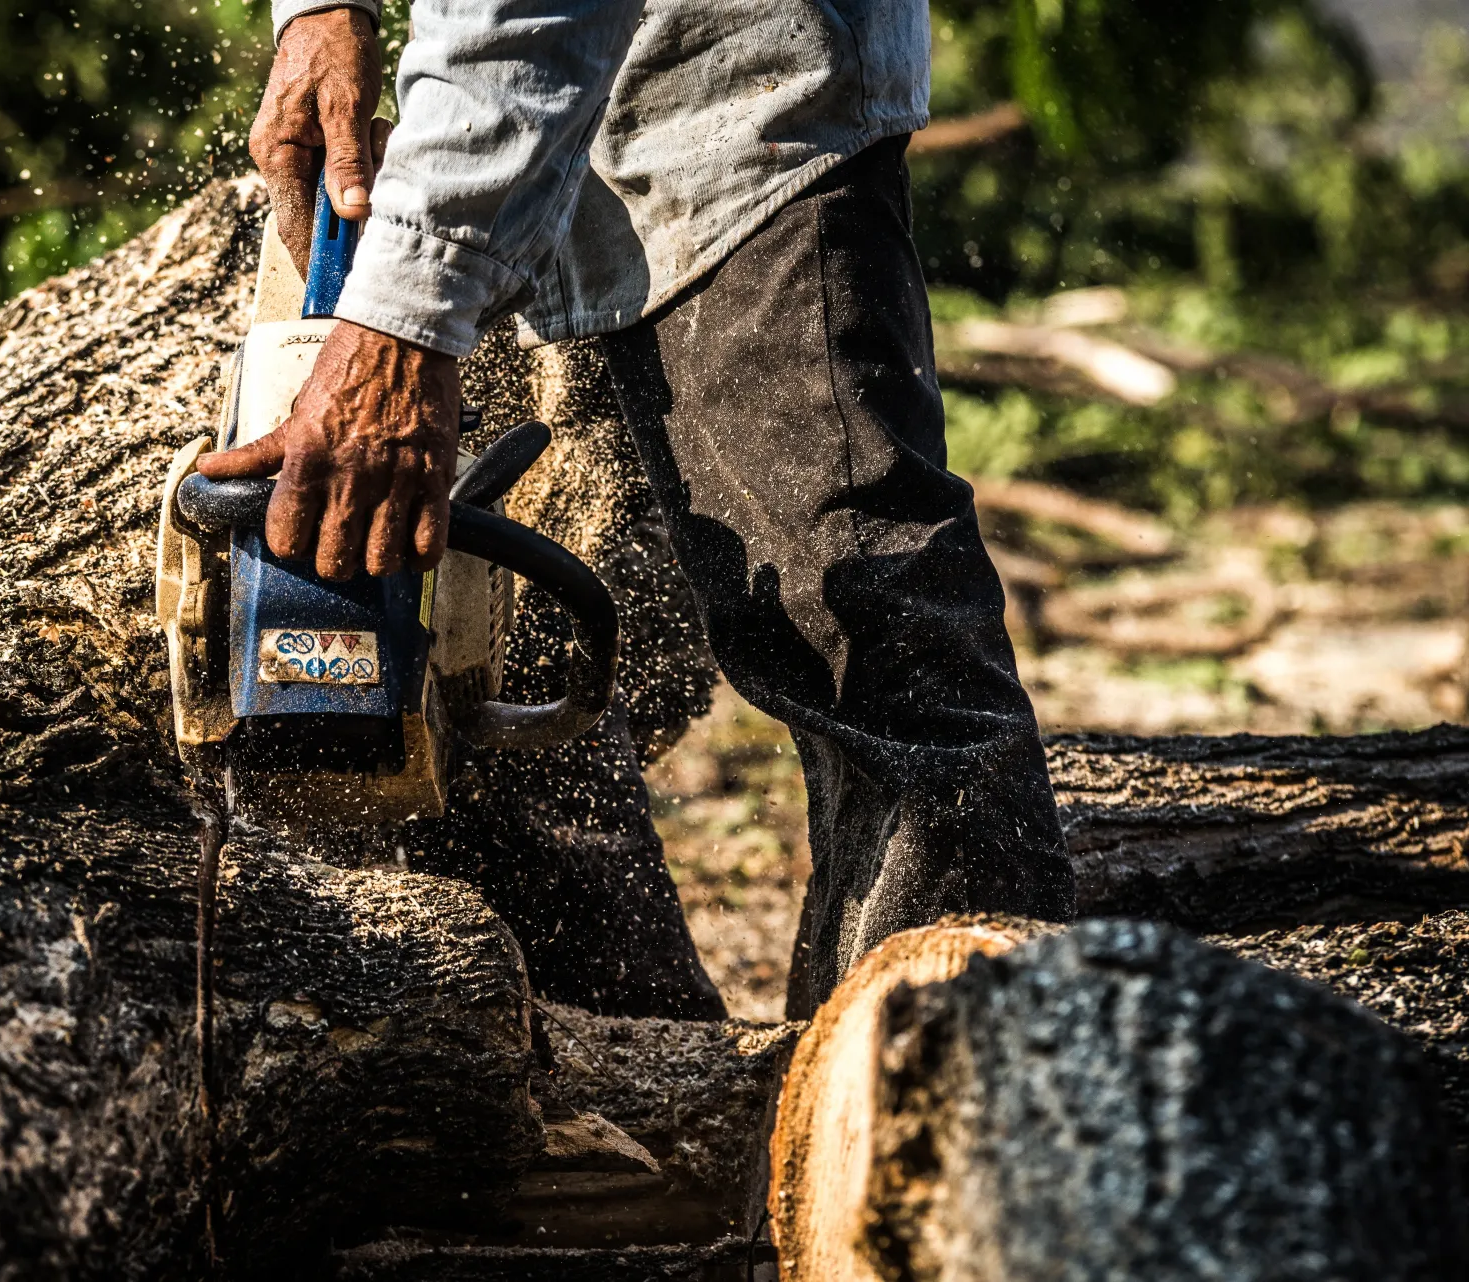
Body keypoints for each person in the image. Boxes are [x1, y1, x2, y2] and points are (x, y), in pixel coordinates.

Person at [199, 0, 1077, 1017]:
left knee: (882, 659)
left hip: (731, 122)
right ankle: (728, 1120)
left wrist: (405, 317)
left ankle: (977, 1125)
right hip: (547, 167)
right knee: (541, 699)